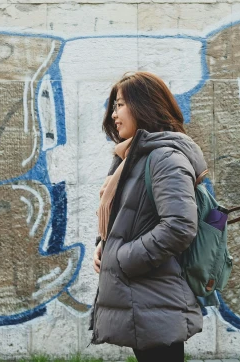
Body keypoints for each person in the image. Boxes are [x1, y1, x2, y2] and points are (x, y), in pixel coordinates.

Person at [89, 71, 207, 362]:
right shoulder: (128, 159)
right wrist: (102, 245)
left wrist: (124, 257)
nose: (114, 114)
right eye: (114, 106)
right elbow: (123, 217)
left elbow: (179, 226)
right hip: (141, 296)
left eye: (120, 105)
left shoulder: (164, 157)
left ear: (144, 106)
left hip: (155, 296)